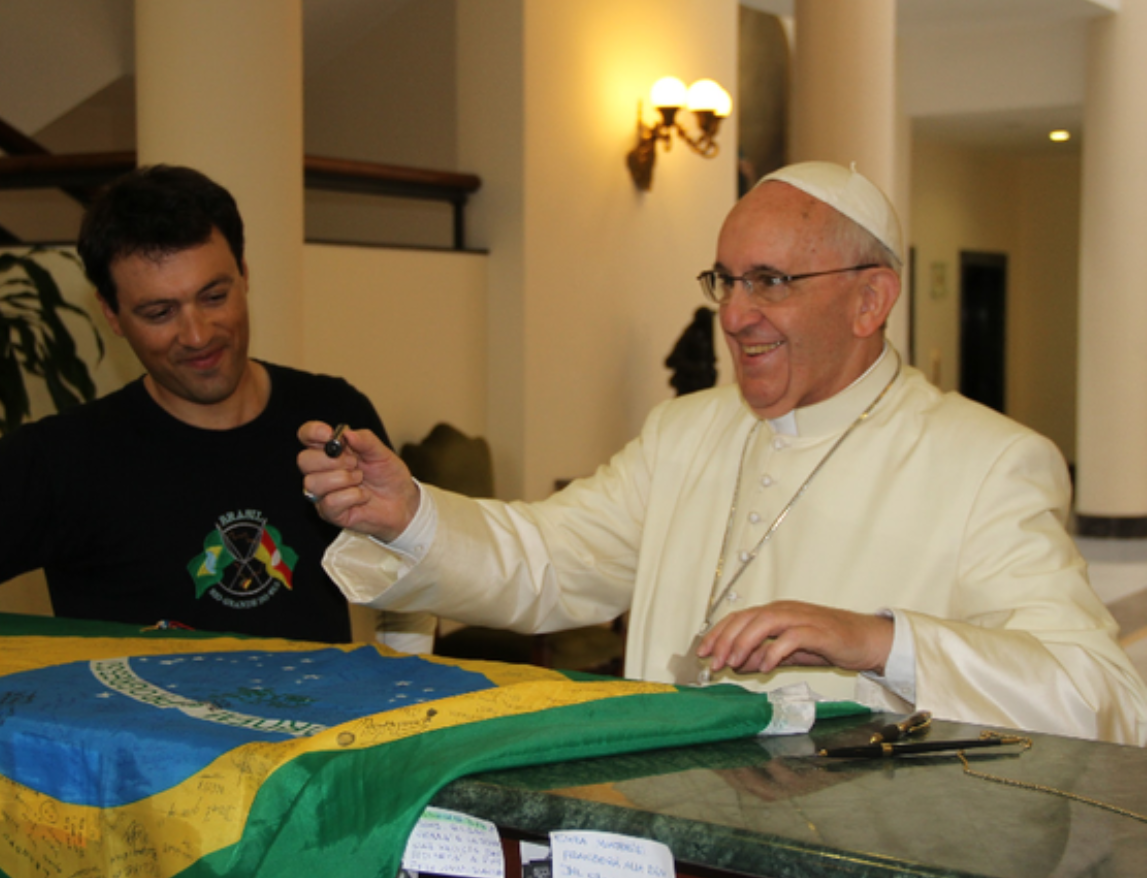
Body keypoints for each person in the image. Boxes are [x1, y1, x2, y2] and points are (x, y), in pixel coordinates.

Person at [298, 161, 1147, 745]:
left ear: (871, 300)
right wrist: (410, 516)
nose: (735, 314)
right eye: (725, 280)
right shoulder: (686, 432)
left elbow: (1102, 698)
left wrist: (880, 642)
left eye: (771, 282)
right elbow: (549, 562)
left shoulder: (989, 462)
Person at [0, 165, 433, 651]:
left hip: (309, 765)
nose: (197, 334)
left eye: (214, 296)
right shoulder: (65, 458)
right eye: (159, 312)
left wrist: (406, 693)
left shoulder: (333, 414)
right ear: (112, 316)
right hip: (146, 773)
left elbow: (409, 572)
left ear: (244, 274)